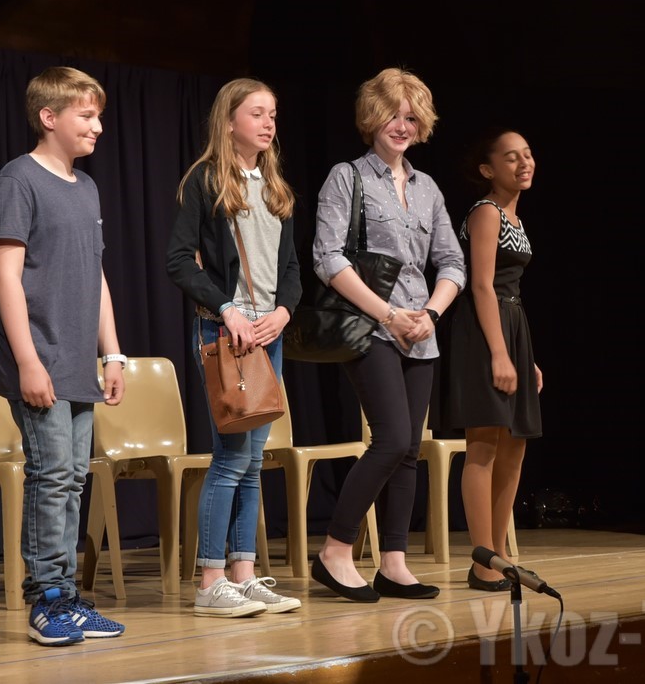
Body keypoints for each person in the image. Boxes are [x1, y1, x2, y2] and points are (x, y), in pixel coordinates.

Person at [310, 67, 466, 602]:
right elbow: (327, 258)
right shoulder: (347, 177)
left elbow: (452, 262)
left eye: (411, 117)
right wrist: (388, 314)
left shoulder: (427, 188)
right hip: (372, 327)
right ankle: (335, 551)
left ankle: (393, 563)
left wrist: (431, 313)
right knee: (392, 438)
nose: (402, 125)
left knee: (407, 452)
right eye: (393, 115)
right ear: (371, 118)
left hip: (420, 331)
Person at [0, 66, 127, 645]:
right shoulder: (17, 181)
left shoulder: (86, 187)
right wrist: (27, 360)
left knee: (71, 479)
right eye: (85, 116)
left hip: (77, 360)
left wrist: (112, 352)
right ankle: (45, 600)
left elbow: (94, 275)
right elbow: (5, 274)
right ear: (50, 117)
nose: (97, 126)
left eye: (98, 116)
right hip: (38, 355)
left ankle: (67, 595)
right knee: (50, 477)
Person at [167, 78, 303, 618]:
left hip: (269, 334)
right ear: (229, 123)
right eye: (257, 114)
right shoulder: (206, 182)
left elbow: (290, 270)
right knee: (230, 460)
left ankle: (244, 575)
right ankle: (210, 581)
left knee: (253, 462)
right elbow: (178, 260)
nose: (268, 123)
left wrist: (283, 313)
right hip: (227, 335)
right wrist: (227, 308)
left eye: (273, 114)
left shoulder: (276, 188)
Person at [435, 127, 543, 591]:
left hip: (512, 325)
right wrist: (499, 353)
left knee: (514, 447)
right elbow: (480, 285)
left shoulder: (516, 220)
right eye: (511, 157)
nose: (524, 163)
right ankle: (483, 562)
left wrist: (526, 358)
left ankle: (498, 559)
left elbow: (511, 291)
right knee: (483, 446)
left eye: (528, 154)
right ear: (487, 169)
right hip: (484, 331)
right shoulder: (486, 212)